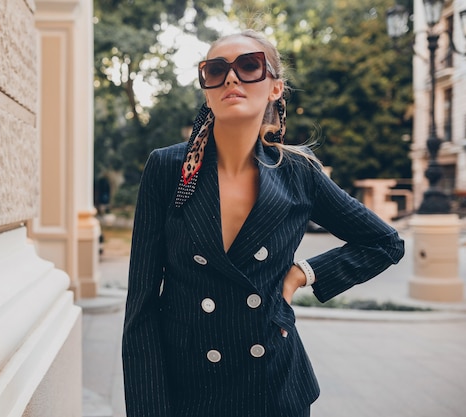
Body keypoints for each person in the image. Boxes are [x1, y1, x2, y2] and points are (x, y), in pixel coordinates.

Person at [122, 29, 405, 417]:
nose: (232, 78)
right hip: (190, 388)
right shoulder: (168, 168)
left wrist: (299, 275)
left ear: (275, 88)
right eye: (216, 70)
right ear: (206, 88)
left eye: (249, 66)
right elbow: (140, 308)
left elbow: (385, 243)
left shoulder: (297, 172)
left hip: (274, 385)